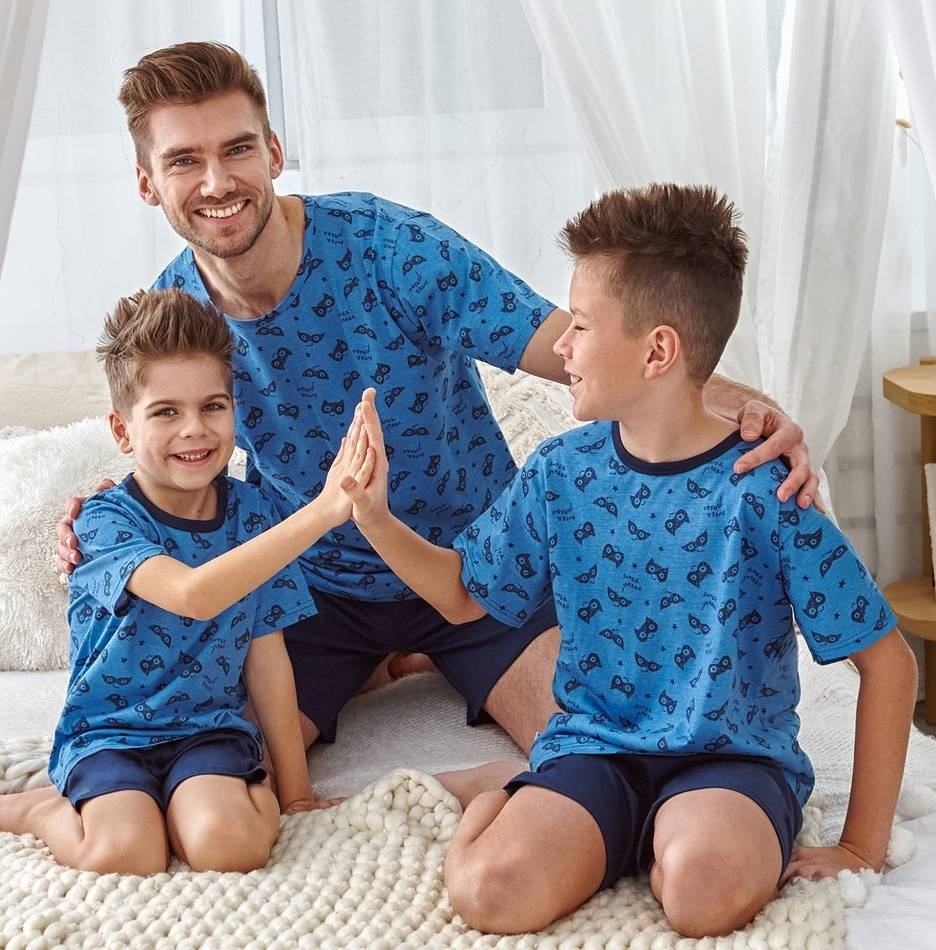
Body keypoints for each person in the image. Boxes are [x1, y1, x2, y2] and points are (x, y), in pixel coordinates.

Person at [58, 42, 819, 765]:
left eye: (237, 149)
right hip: (314, 589)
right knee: (220, 766)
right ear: (147, 183)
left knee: (603, 747)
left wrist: (742, 403)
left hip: (472, 566)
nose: (217, 182)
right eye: (184, 161)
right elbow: (175, 455)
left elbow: (569, 347)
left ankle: (423, 653)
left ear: (275, 153)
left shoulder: (392, 247)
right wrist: (110, 515)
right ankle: (382, 660)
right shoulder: (174, 319)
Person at [337, 185, 919, 938]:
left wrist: (860, 847)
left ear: (658, 351)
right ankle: (506, 793)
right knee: (489, 893)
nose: (563, 347)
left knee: (702, 895)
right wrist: (375, 519)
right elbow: (461, 595)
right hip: (595, 751)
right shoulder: (559, 473)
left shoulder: (767, 491)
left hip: (730, 762)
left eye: (580, 324)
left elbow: (888, 661)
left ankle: (671, 837)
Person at [0, 288, 372, 875]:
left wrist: (297, 793)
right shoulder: (104, 520)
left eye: (212, 406)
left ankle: (202, 800)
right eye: (166, 412)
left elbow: (267, 657)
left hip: (208, 729)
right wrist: (325, 511)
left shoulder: (254, 516)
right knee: (126, 853)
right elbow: (192, 595)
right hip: (109, 732)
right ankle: (40, 810)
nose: (194, 429)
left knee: (230, 847)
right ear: (122, 431)